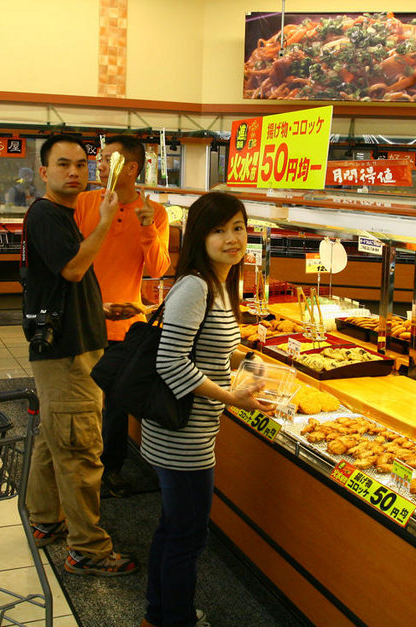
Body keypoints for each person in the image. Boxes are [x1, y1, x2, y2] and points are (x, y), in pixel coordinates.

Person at [141, 192, 271, 627]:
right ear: (200, 236)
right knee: (187, 538)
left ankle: (158, 615)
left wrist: (247, 360)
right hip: (182, 438)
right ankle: (176, 620)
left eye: (238, 227)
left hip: (189, 431)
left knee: (173, 528)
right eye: (219, 230)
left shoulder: (219, 285)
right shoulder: (195, 287)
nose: (232, 238)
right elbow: (170, 361)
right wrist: (231, 398)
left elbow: (212, 347)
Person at [22, 133, 138, 577]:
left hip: (66, 345)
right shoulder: (48, 214)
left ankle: (45, 520)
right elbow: (73, 268)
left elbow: (60, 281)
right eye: (63, 164)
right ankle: (87, 549)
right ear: (43, 171)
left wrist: (98, 307)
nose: (75, 172)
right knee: (80, 449)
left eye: (81, 165)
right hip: (68, 354)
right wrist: (105, 222)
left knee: (55, 438)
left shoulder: (59, 215)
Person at [76, 134, 171, 498]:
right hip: (83, 320)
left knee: (116, 405)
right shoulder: (85, 202)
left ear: (132, 168)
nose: (99, 166)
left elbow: (159, 269)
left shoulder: (154, 212)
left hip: (125, 324)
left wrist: (146, 227)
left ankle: (111, 470)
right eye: (99, 159)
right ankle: (78, 467)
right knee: (82, 400)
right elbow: (71, 261)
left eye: (108, 159)